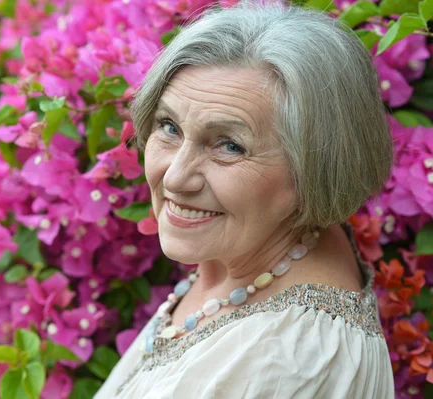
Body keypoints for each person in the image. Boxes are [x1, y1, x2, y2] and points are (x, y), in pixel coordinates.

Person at [94, 1, 396, 398]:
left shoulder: (279, 361)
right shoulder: (254, 248)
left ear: (316, 168)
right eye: (169, 127)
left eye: (230, 146)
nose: (175, 176)